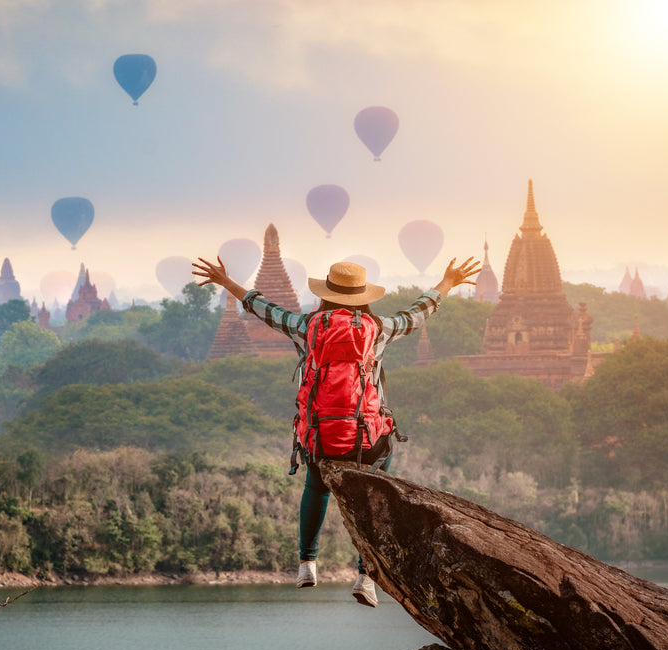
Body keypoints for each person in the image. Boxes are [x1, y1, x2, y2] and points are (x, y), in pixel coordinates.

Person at [192, 255, 480, 607]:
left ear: (326, 294)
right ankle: (365, 574)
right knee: (377, 488)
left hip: (321, 438)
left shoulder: (307, 325)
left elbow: (262, 308)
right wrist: (448, 281)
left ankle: (307, 563)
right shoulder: (379, 328)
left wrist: (226, 281)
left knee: (316, 486)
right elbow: (417, 313)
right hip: (368, 441)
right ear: (363, 297)